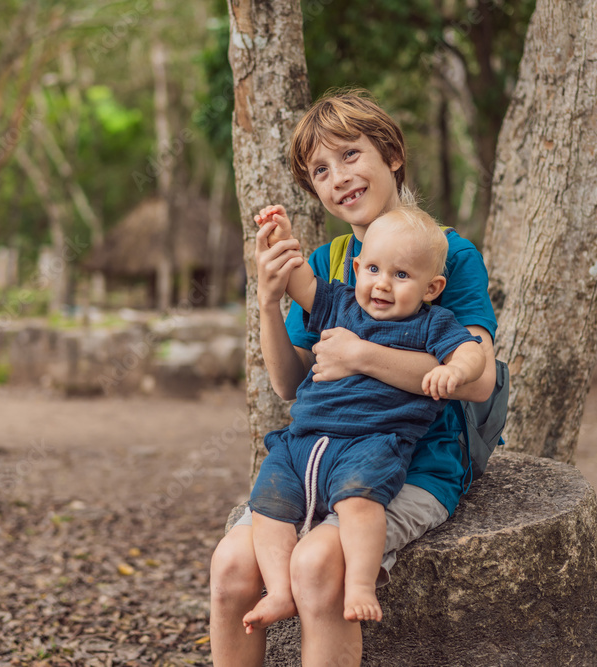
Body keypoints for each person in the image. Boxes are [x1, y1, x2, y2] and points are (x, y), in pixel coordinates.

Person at [210, 89, 498, 667]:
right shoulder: (324, 265)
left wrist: (361, 355)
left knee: (317, 565)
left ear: (391, 154)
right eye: (320, 170)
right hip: (320, 455)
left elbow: (477, 379)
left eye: (349, 155)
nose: (338, 177)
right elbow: (291, 385)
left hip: (411, 459)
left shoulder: (446, 254)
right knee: (231, 567)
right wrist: (268, 302)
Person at [242, 203, 485, 632]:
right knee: (269, 506)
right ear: (356, 268)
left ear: (433, 288)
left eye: (402, 275)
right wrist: (280, 237)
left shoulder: (433, 325)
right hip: (302, 441)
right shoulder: (337, 302)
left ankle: (359, 584)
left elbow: (472, 353)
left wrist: (453, 370)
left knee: (360, 501)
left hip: (371, 441)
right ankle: (279, 590)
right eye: (373, 269)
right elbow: (300, 282)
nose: (383, 285)